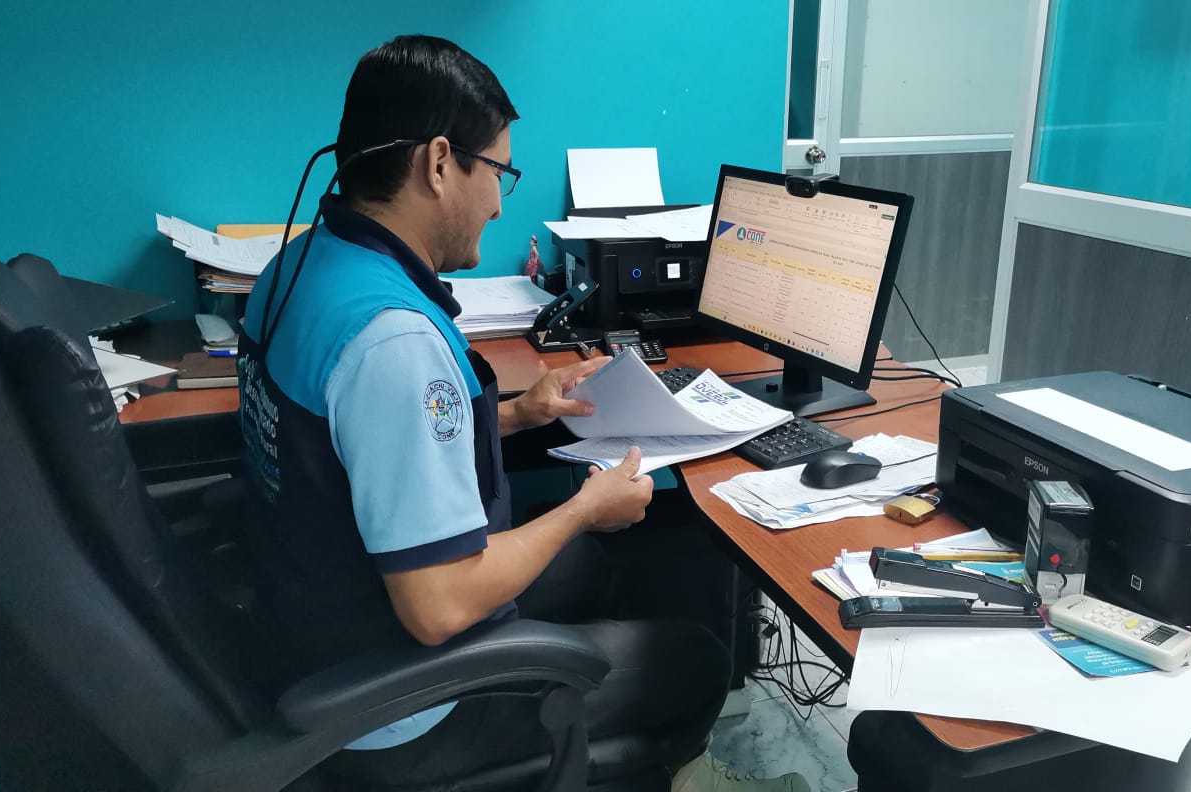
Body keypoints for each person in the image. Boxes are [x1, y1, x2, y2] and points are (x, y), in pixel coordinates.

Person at [236, 34, 808, 792]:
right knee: (698, 658)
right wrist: (584, 509)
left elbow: (358, 446)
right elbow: (438, 607)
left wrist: (513, 415)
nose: (501, 203)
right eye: (499, 172)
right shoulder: (394, 340)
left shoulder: (302, 263)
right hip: (397, 707)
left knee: (591, 568)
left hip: (314, 618)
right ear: (439, 163)